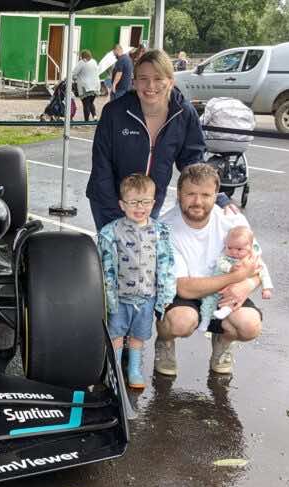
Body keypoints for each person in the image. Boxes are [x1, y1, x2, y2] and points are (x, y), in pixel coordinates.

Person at [155, 163, 263, 377]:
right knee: (180, 322)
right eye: (191, 194)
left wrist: (246, 284)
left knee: (249, 326)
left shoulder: (232, 221)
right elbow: (184, 288)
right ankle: (165, 341)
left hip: (222, 293)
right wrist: (237, 276)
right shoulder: (165, 228)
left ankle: (224, 341)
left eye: (205, 194)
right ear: (179, 194)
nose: (197, 202)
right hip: (184, 294)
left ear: (216, 194)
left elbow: (258, 267)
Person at [86, 49, 206, 231]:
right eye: (143, 78)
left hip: (150, 204)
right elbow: (102, 165)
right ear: (134, 82)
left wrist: (214, 194)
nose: (150, 86)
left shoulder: (184, 113)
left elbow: (192, 161)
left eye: (158, 78)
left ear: (170, 82)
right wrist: (117, 211)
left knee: (144, 255)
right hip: (109, 202)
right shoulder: (114, 112)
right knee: (113, 256)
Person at [97, 173, 176, 389]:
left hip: (147, 297)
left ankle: (133, 369)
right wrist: (105, 294)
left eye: (145, 202)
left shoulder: (160, 232)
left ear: (154, 202)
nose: (139, 207)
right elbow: (104, 267)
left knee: (138, 336)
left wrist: (167, 294)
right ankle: (112, 371)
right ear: (122, 204)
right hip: (119, 297)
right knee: (116, 333)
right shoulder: (110, 233)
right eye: (133, 202)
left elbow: (167, 264)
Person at [198, 225, 273, 332]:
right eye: (229, 248)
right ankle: (205, 320)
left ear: (250, 247)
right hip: (217, 286)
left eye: (239, 249)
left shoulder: (252, 260)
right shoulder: (225, 256)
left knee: (233, 299)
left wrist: (267, 288)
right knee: (208, 301)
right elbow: (220, 263)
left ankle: (225, 310)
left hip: (235, 289)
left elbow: (263, 272)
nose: (233, 252)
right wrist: (230, 268)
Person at [72, 49, 101, 121]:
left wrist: (69, 78)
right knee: (91, 102)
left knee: (86, 104)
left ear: (83, 56)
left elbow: (74, 73)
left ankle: (86, 120)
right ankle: (95, 117)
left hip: (86, 87)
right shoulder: (94, 61)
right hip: (95, 86)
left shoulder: (81, 62)